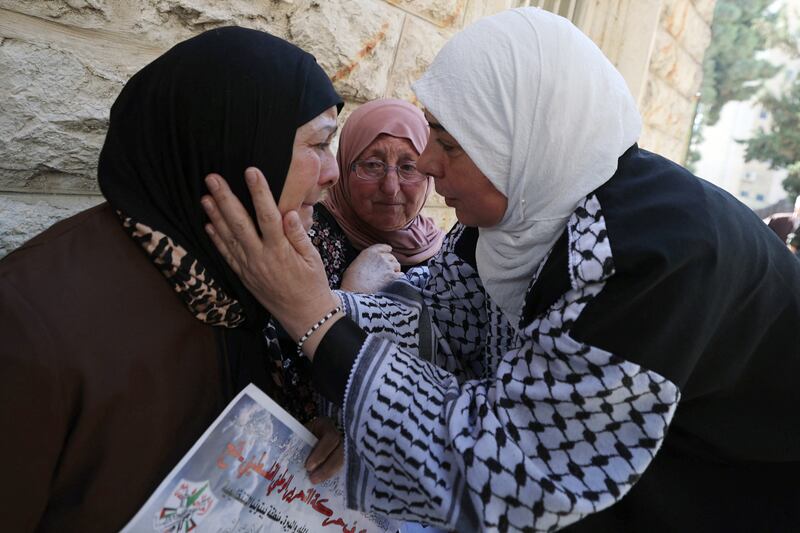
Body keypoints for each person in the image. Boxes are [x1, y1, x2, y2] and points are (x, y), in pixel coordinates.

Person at [200, 8, 800, 533]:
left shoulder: (655, 260)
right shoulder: (517, 219)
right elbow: (439, 328)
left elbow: (510, 475)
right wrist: (315, 304)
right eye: (433, 133)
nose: (428, 165)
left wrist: (315, 319)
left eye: (451, 145)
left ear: (527, 139)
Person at [0, 26, 386, 530]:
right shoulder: (31, 323)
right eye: (319, 144)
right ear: (237, 144)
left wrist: (292, 445)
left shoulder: (240, 281)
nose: (333, 172)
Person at [320, 98, 445, 272]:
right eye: (373, 165)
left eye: (408, 167)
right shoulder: (310, 239)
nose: (390, 188)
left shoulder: (446, 253)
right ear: (345, 165)